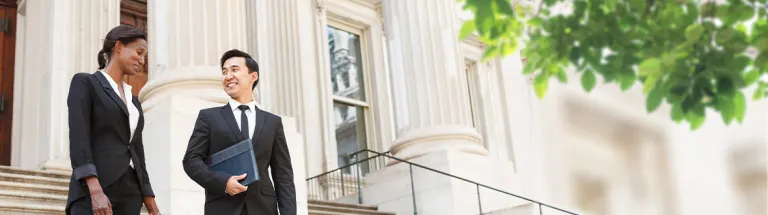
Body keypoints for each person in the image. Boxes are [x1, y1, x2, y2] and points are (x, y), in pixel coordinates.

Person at [182, 49, 296, 215]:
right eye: (224, 72)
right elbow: (191, 161)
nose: (228, 76)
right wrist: (223, 182)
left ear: (253, 76)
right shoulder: (208, 117)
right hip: (222, 207)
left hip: (264, 208)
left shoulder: (273, 122)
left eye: (234, 70)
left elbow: (283, 174)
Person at [65, 25, 161, 215]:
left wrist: (150, 202)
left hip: (129, 192)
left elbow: (137, 152)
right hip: (93, 189)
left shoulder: (134, 102)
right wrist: (95, 189)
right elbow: (79, 138)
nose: (142, 61)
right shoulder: (86, 83)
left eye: (145, 56)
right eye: (139, 52)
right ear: (118, 46)